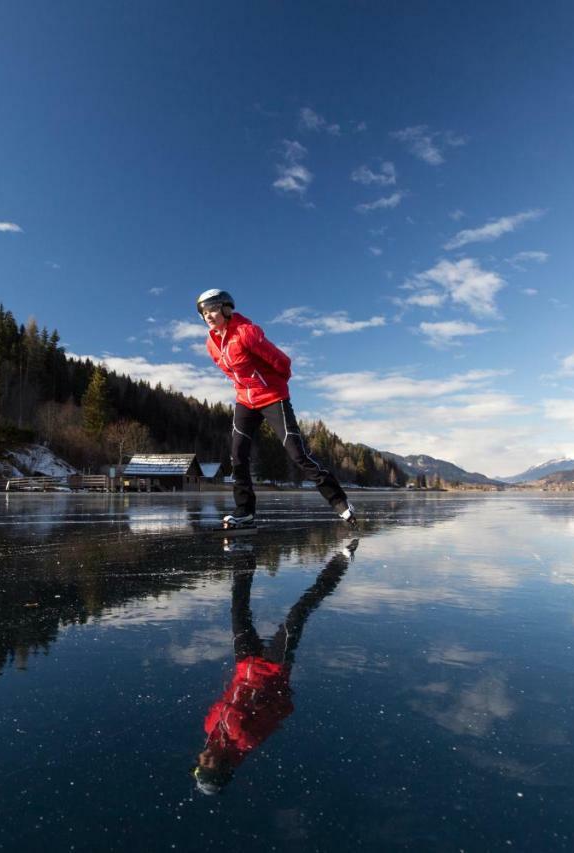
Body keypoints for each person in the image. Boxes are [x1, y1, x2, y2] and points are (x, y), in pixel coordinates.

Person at [193, 542, 354, 795]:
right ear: (222, 766)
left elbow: (225, 703)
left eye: (199, 765)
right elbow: (256, 710)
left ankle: (244, 558)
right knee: (298, 613)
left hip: (245, 664)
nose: (202, 759)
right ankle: (341, 563)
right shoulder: (245, 740)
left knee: (238, 609)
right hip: (272, 669)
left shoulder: (210, 731)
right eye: (208, 765)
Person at [196, 288, 356, 528]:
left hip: (272, 396)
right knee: (237, 455)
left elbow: (282, 362)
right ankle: (245, 511)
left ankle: (339, 501)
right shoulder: (211, 344)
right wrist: (245, 389)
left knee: (297, 453)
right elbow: (231, 372)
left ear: (226, 309)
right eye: (204, 312)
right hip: (245, 401)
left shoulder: (246, 332)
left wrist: (275, 385)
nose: (208, 316)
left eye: (213, 309)